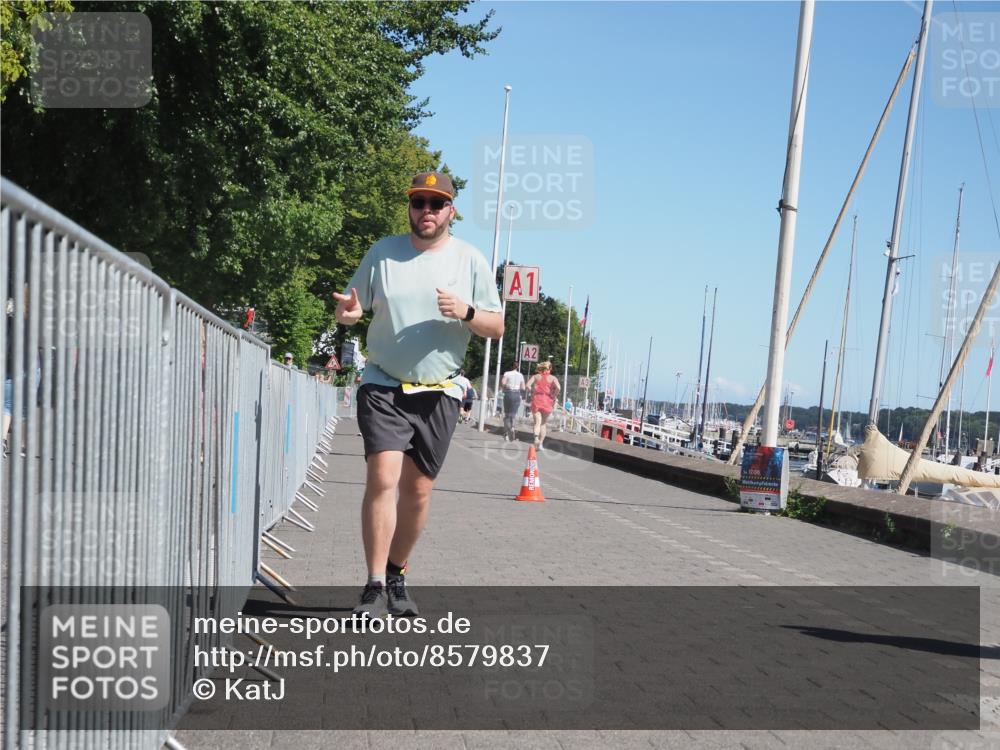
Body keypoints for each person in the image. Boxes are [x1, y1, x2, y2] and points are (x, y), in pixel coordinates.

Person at [332, 170, 503, 619]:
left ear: (451, 210)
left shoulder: (470, 260)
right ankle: (372, 586)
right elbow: (352, 307)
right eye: (418, 202)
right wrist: (347, 314)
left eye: (436, 203)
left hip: (439, 391)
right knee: (382, 480)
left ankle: (396, 573)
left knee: (419, 491)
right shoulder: (383, 253)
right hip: (384, 382)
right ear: (409, 207)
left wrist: (466, 311)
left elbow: (496, 326)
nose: (425, 211)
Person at [526, 361, 560, 450]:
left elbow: (527, 385)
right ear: (550, 369)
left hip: (537, 400)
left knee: (537, 422)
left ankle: (536, 438)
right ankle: (540, 444)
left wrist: (533, 391)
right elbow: (558, 388)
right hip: (547, 401)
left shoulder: (536, 376)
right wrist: (554, 395)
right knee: (543, 423)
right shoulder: (553, 378)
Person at [500, 361, 525, 441]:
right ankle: (513, 428)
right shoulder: (520, 375)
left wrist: (506, 386)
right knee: (513, 415)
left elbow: (503, 382)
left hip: (508, 393)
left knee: (507, 415)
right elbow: (523, 387)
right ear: (517, 367)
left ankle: (506, 434)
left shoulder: (507, 373)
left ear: (511, 366)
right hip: (517, 394)